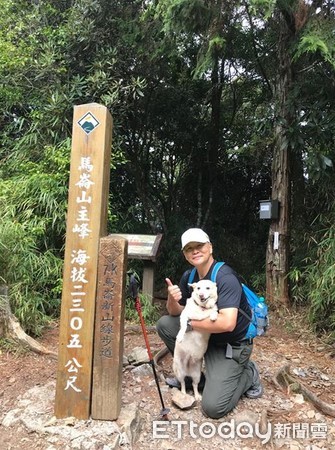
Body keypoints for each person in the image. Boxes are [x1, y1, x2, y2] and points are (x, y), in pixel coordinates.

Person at [156, 227, 263, 419]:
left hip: (231, 344)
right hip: (208, 338)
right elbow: (175, 312)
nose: (195, 251)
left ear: (210, 248)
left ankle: (249, 373)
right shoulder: (189, 277)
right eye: (189, 248)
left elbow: (227, 323)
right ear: (185, 255)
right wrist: (172, 298)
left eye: (199, 246)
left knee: (213, 408)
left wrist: (190, 323)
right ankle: (192, 376)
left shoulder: (225, 277)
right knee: (166, 324)